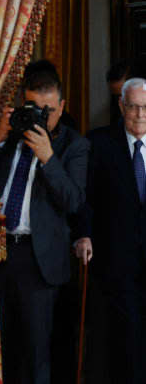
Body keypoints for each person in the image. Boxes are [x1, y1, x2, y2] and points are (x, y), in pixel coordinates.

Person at [0, 59, 89, 384]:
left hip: (39, 262)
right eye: (33, 108)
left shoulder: (74, 146)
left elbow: (73, 200)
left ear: (61, 107)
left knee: (36, 355)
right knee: (0, 349)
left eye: (47, 110)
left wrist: (48, 157)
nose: (40, 117)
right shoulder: (8, 143)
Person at [86, 77, 146, 383]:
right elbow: (87, 199)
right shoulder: (99, 144)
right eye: (133, 107)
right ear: (121, 106)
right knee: (126, 345)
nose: (139, 114)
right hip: (117, 263)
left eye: (145, 108)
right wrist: (83, 234)